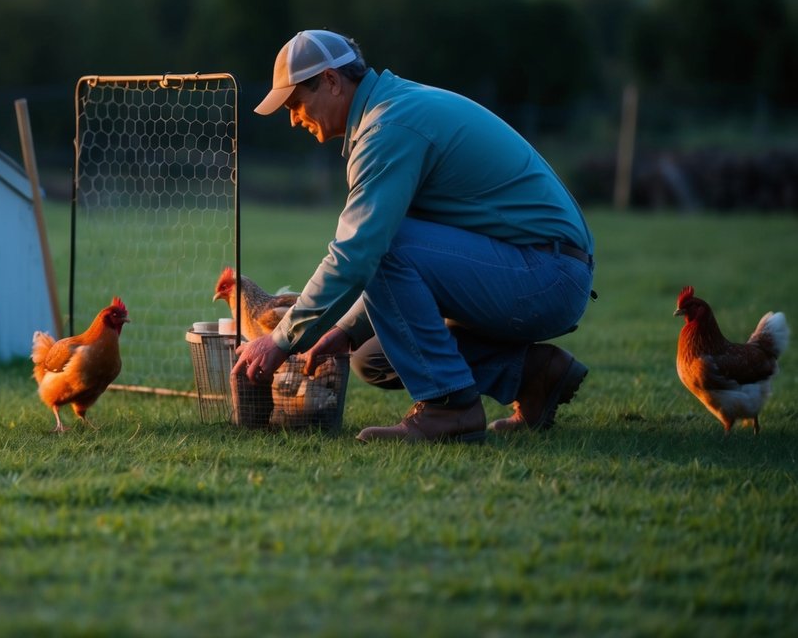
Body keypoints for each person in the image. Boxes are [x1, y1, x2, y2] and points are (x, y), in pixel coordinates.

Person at [232, 29, 595, 444]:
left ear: (331, 81)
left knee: (384, 246)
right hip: (535, 267)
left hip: (546, 275)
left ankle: (450, 408)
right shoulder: (391, 108)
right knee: (371, 357)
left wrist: (280, 341)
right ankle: (536, 376)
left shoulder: (388, 127)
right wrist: (345, 332)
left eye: (296, 102)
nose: (293, 117)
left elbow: (362, 252)